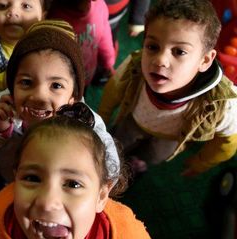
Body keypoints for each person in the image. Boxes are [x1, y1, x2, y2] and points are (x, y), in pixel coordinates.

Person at [0, 20, 120, 186]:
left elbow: (111, 170)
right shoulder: (2, 108)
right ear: (12, 86)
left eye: (56, 85)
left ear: (74, 96)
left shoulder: (85, 121)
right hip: (9, 184)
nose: (39, 96)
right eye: (26, 82)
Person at [98, 0, 237, 176]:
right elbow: (112, 91)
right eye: (153, 47)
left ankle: (138, 162)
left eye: (179, 52)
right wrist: (101, 120)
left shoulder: (223, 103)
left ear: (205, 60)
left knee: (154, 155)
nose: (160, 60)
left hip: (170, 138)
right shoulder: (134, 67)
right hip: (134, 120)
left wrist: (201, 162)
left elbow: (229, 141)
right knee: (119, 140)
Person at [0, 103, 153, 239]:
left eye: (73, 184)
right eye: (32, 178)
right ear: (15, 178)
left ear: (101, 196)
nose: (47, 203)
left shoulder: (130, 237)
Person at [48, 0, 116, 85]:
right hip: (63, 80)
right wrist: (108, 64)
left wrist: (108, 63)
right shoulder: (53, 19)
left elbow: (104, 39)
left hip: (85, 76)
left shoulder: (99, 7)